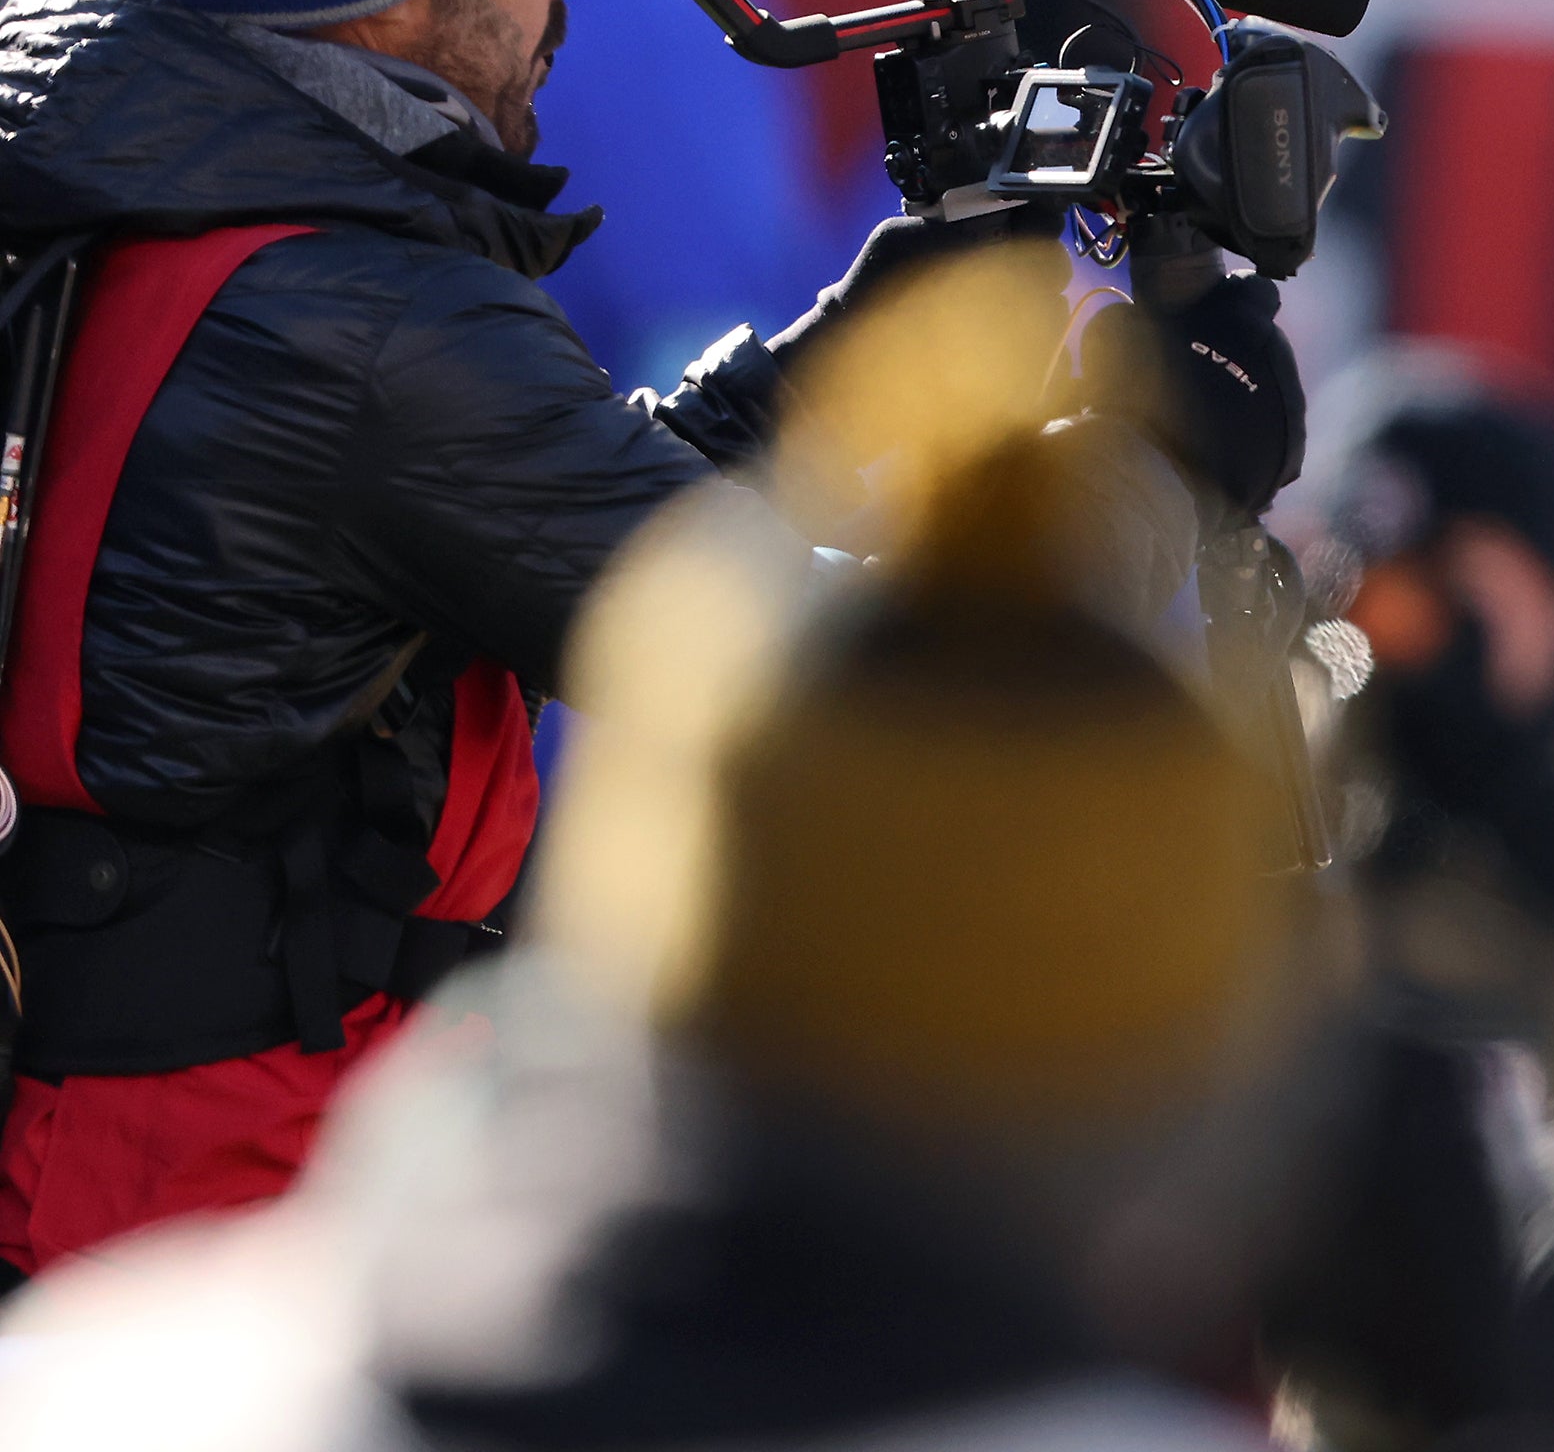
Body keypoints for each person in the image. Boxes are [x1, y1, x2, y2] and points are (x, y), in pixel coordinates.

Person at [0, 0, 904, 1281]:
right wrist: (1135, 497)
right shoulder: (362, 323)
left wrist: (835, 350)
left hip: (102, 1174)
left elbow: (529, 507)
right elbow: (827, 677)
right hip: (206, 1234)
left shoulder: (154, 170)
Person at [0, 255, 1320, 1449]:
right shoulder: (365, 305)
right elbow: (858, 684)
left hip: (174, 1195)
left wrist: (801, 373)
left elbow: (576, 562)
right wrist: (1150, 474)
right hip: (209, 1155)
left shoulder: (114, 1382)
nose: (553, 54)